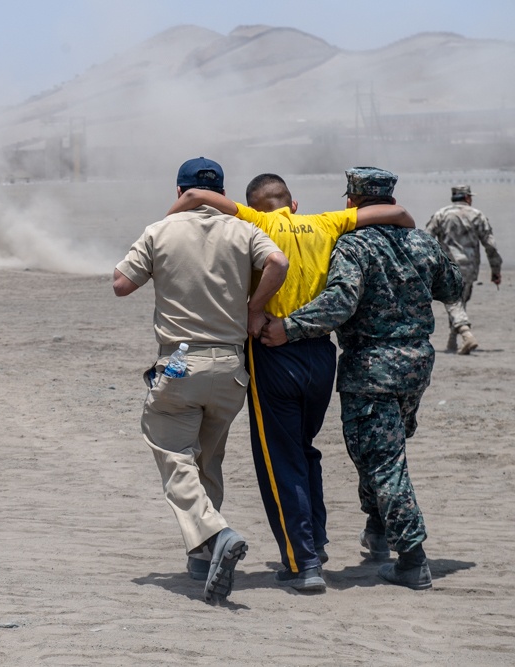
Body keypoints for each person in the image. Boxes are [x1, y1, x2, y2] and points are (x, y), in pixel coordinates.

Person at [167, 174, 414, 592]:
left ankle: (304, 564)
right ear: (293, 204)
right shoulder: (326, 222)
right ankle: (315, 543)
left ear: (254, 207)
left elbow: (193, 195)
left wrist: (165, 225)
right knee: (306, 450)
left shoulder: (255, 224)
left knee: (279, 460)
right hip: (320, 352)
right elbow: (401, 213)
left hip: (273, 349)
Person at [261, 168, 463, 591]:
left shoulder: (352, 245)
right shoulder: (424, 242)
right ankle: (377, 530)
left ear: (353, 201)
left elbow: (339, 303)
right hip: (416, 365)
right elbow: (453, 287)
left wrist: (290, 326)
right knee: (382, 450)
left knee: (383, 460)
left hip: (371, 368)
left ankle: (412, 557)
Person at [113, 157, 289, 603]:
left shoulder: (160, 230)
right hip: (230, 369)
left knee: (173, 455)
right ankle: (202, 556)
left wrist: (161, 241)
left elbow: (120, 284)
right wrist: (254, 306)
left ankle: (217, 533)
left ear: (179, 193)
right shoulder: (245, 229)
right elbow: (278, 262)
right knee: (208, 458)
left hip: (180, 364)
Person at [425, 185, 502, 354]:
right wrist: (495, 269)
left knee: (454, 302)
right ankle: (453, 341)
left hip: (448, 266)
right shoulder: (477, 215)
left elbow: (427, 240)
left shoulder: (441, 214)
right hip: (469, 267)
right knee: (459, 302)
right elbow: (490, 245)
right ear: (467, 197)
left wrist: (427, 266)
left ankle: (466, 335)